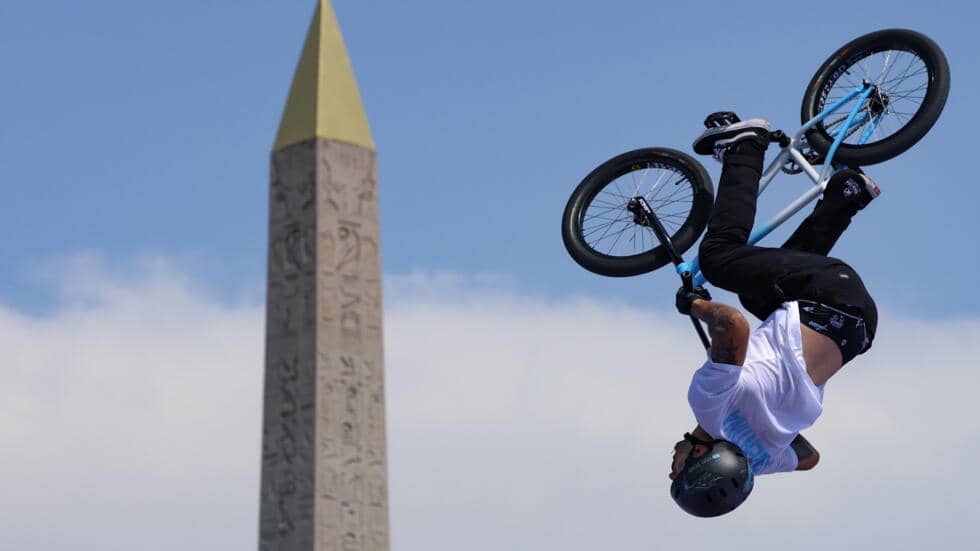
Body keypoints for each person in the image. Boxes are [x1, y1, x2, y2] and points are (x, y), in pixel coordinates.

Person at [668, 116, 880, 516]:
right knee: (718, 259)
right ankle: (744, 148)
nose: (670, 471)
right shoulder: (708, 405)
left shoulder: (763, 460)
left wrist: (767, 435)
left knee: (757, 294)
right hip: (826, 296)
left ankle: (847, 195)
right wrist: (695, 304)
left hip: (857, 328)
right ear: (699, 456)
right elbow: (733, 326)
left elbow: (810, 457)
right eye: (678, 473)